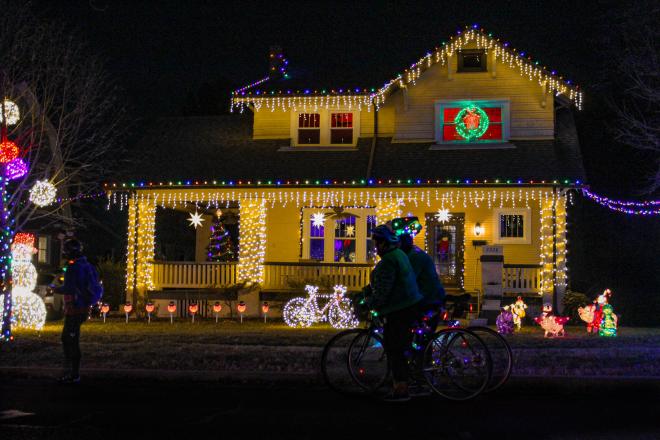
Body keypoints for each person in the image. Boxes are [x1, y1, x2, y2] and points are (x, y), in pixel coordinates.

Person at [362, 224, 423, 402]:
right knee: (403, 345)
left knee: (394, 347)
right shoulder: (399, 255)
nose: (375, 247)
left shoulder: (388, 261)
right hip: (411, 303)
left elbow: (383, 291)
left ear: (383, 243)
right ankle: (410, 379)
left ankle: (401, 389)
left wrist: (369, 304)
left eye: (376, 243)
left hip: (400, 308)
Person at [52, 239, 103, 384]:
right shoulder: (87, 265)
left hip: (75, 308)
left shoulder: (74, 268)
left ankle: (72, 373)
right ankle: (71, 372)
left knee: (69, 339)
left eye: (66, 251)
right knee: (70, 338)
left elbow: (69, 288)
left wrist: (55, 288)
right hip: (83, 308)